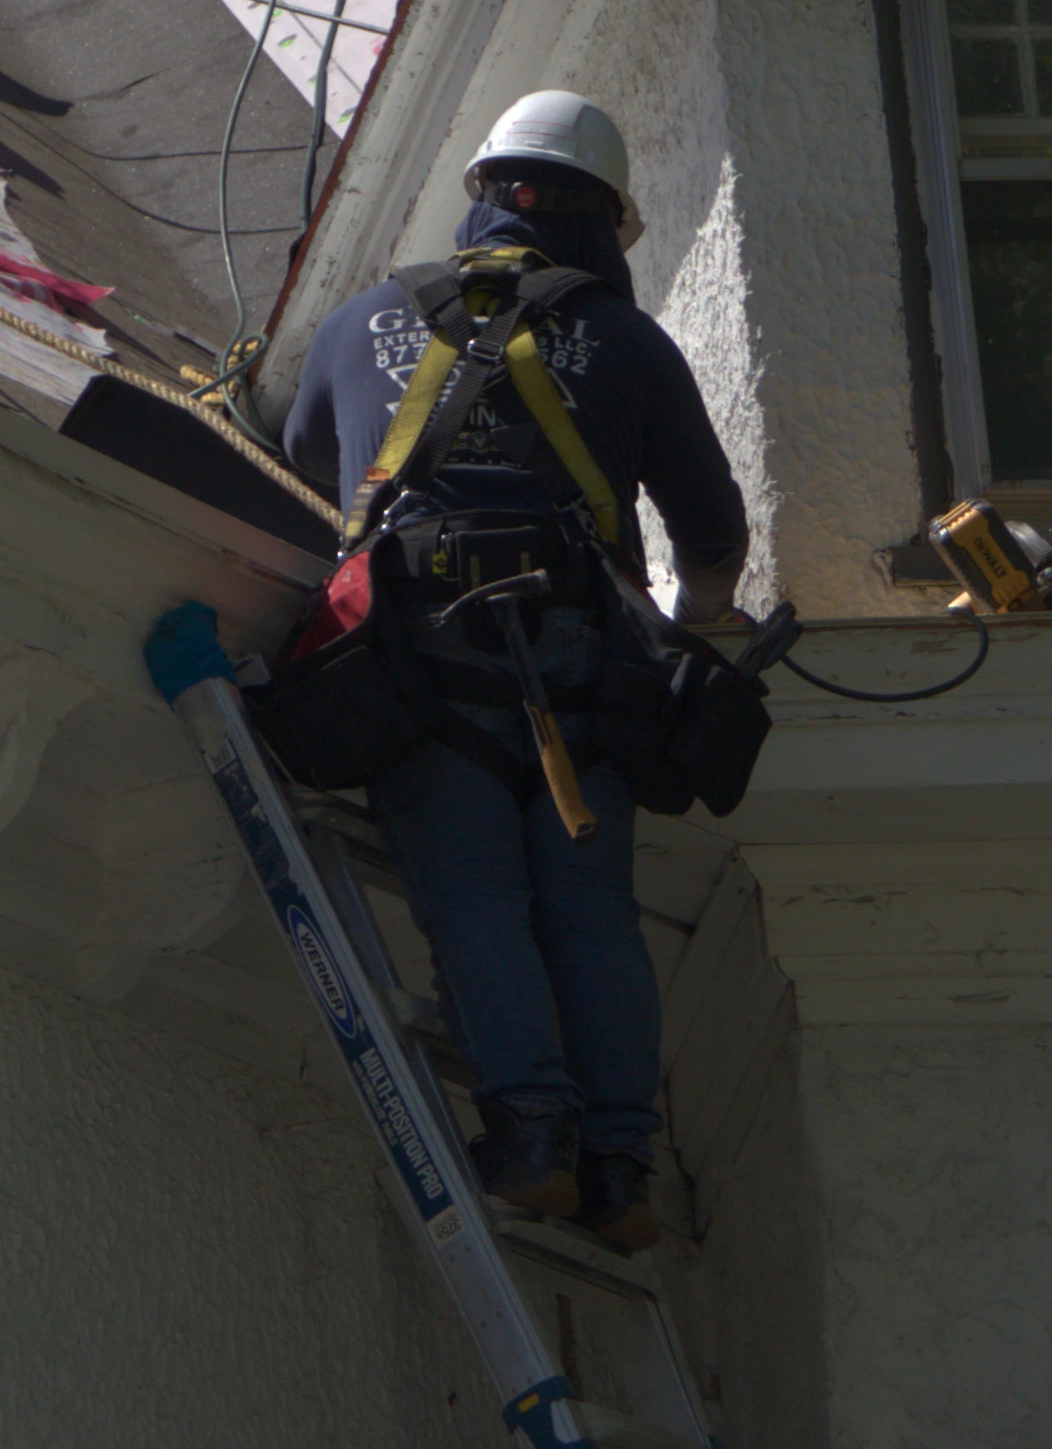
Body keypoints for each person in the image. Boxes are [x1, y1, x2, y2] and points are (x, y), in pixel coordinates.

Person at [269, 87, 751, 1254]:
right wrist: (685, 637)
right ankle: (619, 1163)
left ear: (480, 196)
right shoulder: (625, 339)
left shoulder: (354, 325)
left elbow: (298, 471)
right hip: (583, 651)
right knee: (586, 905)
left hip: (421, 651)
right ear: (600, 221)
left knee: (474, 890)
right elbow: (711, 528)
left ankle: (529, 1136)